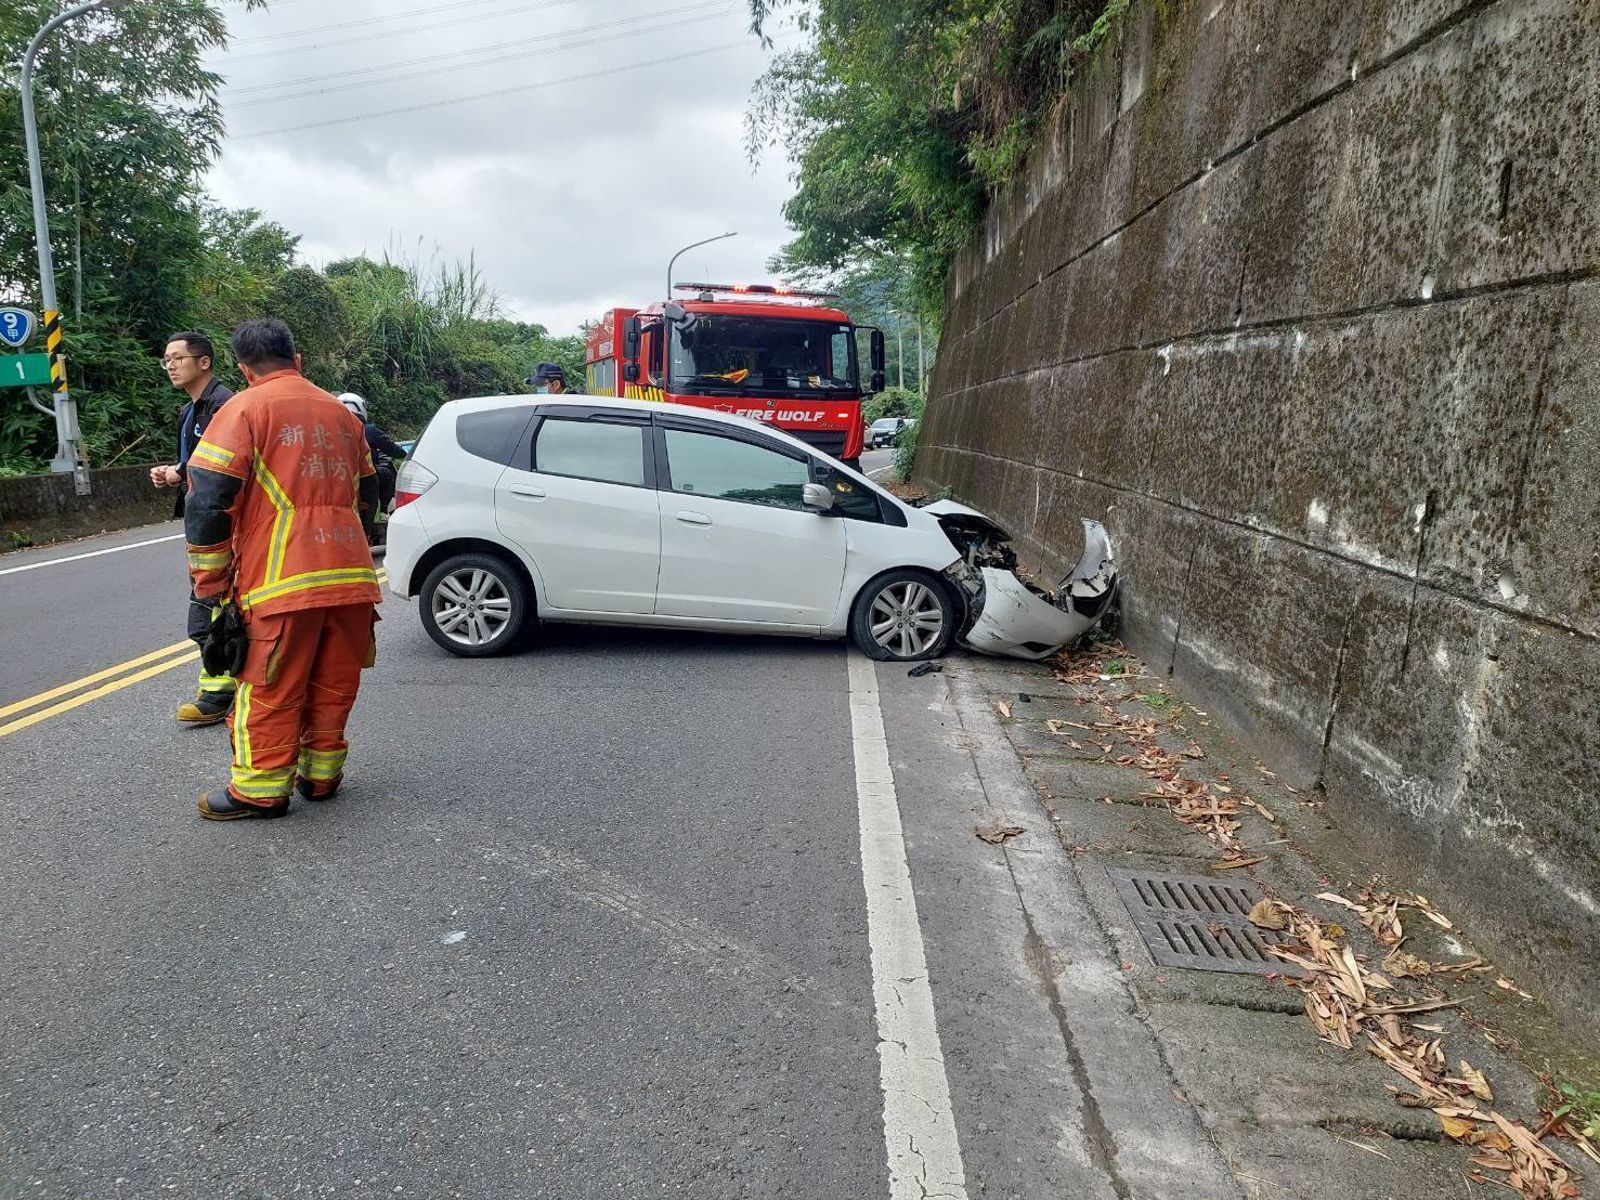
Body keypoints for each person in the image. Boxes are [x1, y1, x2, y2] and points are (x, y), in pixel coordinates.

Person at [183, 318, 382, 821]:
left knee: (270, 685)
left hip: (281, 580)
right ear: (297, 360)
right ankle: (320, 777)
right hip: (352, 577)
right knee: (334, 679)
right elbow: (368, 495)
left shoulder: (242, 410)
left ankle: (259, 790)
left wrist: (208, 592)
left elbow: (207, 504)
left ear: (244, 369)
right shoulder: (342, 415)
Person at [149, 331, 236, 725]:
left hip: (226, 526)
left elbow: (226, 464)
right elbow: (198, 465)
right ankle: (222, 687)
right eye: (166, 359)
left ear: (204, 362)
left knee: (209, 609)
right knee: (213, 605)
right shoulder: (189, 412)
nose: (170, 365)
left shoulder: (225, 406)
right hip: (202, 525)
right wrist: (175, 473)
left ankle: (222, 691)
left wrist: (179, 471)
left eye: (178, 358)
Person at [337, 392, 407, 514]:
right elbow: (394, 450)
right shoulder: (368, 429)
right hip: (362, 479)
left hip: (335, 477)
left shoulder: (327, 430)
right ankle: (383, 510)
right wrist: (405, 454)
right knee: (388, 471)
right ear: (361, 408)